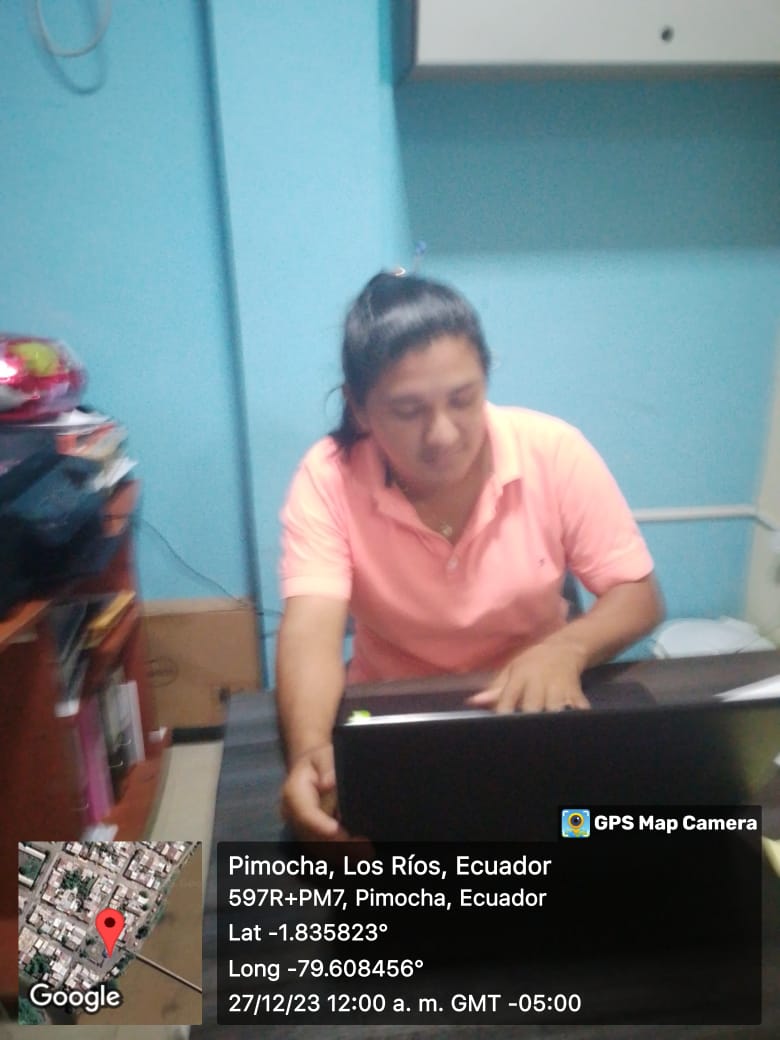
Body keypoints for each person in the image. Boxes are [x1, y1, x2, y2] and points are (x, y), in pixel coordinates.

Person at [276, 271, 664, 841]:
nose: (443, 434)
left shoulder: (552, 450)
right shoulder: (329, 476)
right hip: (391, 716)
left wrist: (568, 648)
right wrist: (311, 751)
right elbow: (311, 632)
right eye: (408, 410)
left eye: (463, 400)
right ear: (359, 409)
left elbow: (638, 594)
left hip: (529, 707)